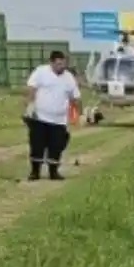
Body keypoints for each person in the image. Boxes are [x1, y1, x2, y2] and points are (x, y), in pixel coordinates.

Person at [24, 50, 80, 180]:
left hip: (59, 120)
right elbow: (32, 88)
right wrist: (29, 106)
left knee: (57, 146)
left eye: (63, 64)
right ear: (51, 63)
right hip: (40, 118)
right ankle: (35, 172)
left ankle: (53, 172)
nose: (62, 67)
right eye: (59, 64)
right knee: (37, 145)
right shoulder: (41, 72)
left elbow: (75, 97)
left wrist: (79, 114)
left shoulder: (68, 77)